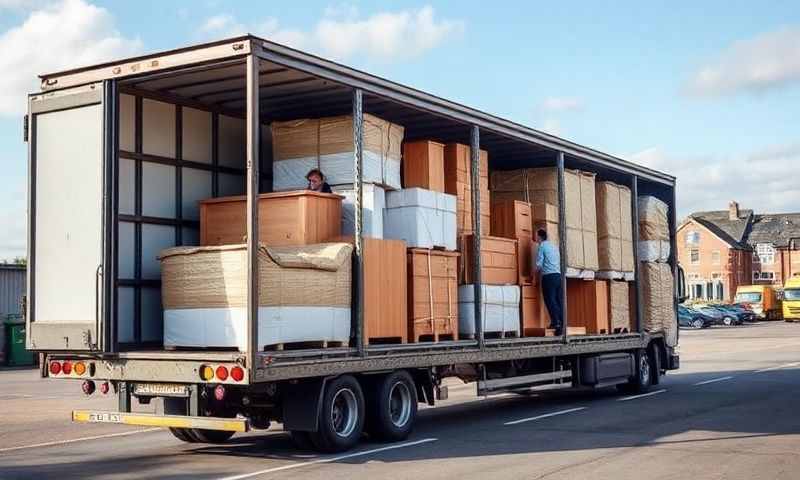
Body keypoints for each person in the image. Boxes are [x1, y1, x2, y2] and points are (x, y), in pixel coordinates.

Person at [535, 229, 563, 335]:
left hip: (548, 277)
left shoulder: (542, 246)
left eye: (536, 235)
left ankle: (556, 323)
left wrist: (533, 276)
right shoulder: (554, 246)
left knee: (550, 300)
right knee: (558, 300)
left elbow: (539, 264)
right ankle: (561, 322)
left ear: (539, 237)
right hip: (558, 275)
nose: (535, 237)